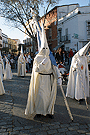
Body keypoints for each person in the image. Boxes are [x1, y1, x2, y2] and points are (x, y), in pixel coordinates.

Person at [25, 23, 62, 119]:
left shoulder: (51, 56)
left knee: (49, 97)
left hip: (49, 79)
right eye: (44, 48)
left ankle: (49, 111)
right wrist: (42, 64)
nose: (45, 50)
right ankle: (39, 112)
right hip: (40, 79)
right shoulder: (38, 58)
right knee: (40, 96)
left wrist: (59, 77)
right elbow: (36, 69)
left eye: (47, 48)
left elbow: (55, 67)